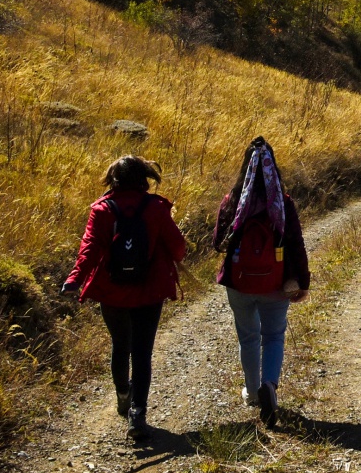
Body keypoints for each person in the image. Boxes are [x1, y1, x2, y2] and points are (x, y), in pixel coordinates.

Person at [63, 155, 188, 441]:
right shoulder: (156, 208)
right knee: (142, 353)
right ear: (144, 177)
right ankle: (137, 414)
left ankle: (123, 394)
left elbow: (89, 248)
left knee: (120, 345)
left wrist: (75, 279)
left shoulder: (102, 210)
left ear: (113, 179)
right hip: (149, 292)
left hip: (112, 291)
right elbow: (178, 248)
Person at [212, 137, 310, 428]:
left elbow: (217, 242)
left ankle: (253, 391)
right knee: (274, 336)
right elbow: (296, 244)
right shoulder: (282, 203)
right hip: (275, 282)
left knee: (248, 337)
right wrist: (302, 281)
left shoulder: (232, 200)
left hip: (239, 283)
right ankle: (269, 385)